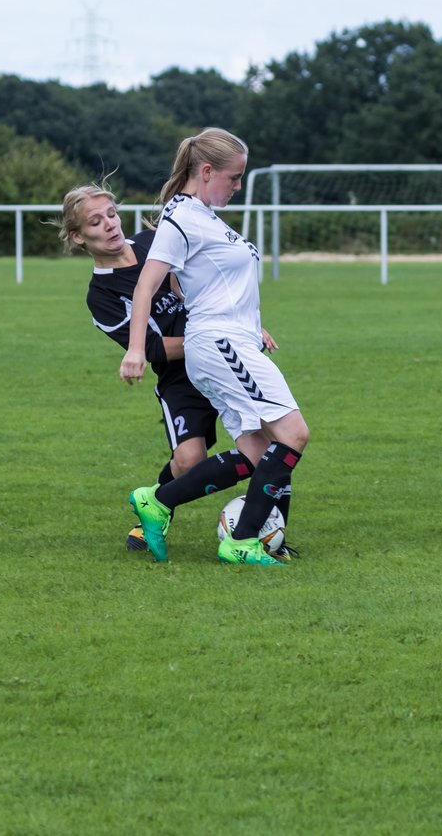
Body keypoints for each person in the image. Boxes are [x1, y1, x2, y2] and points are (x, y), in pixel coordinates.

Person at [57, 182, 295, 561]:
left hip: (222, 353)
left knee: (273, 437)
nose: (110, 225)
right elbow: (152, 349)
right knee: (189, 461)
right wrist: (215, 338)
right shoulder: (100, 296)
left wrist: (236, 328)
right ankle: (154, 508)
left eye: (112, 215)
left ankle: (270, 534)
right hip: (180, 373)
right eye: (95, 222)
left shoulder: (154, 242)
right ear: (77, 236)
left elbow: (205, 283)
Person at [120, 129, 310, 567]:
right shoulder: (181, 218)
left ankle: (159, 500)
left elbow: (211, 282)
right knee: (294, 434)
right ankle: (240, 542)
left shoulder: (204, 215)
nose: (238, 186)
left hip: (234, 341)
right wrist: (135, 349)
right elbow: (148, 284)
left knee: (257, 455)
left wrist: (252, 325)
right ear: (206, 172)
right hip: (219, 344)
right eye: (234, 177)